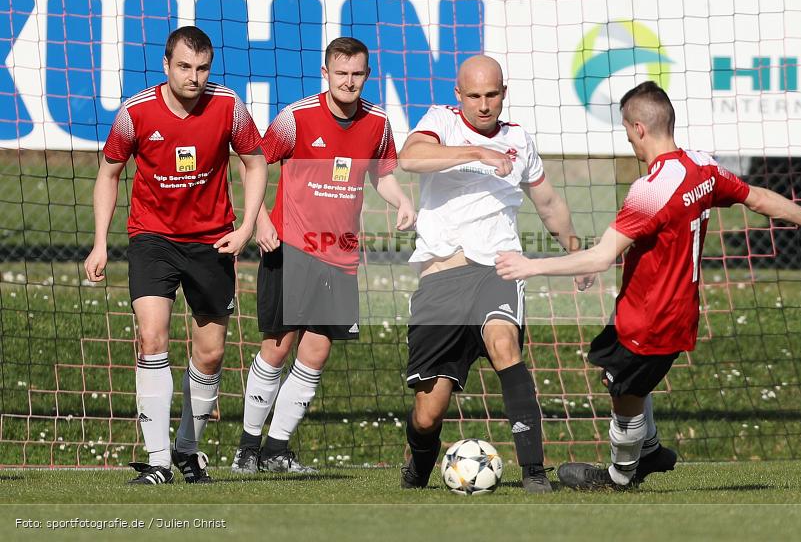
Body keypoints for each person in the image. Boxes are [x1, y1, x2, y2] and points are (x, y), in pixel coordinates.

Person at [495, 80, 801, 490]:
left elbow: (602, 256)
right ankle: (648, 448)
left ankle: (620, 476)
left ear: (638, 130)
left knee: (624, 392)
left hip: (649, 320)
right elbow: (757, 197)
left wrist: (530, 265)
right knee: (620, 375)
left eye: (626, 131)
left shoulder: (650, 191)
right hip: (674, 312)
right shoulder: (702, 166)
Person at [397, 55, 594, 494]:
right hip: (442, 277)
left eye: (492, 95)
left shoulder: (520, 140)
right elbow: (409, 158)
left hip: (499, 268)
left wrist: (576, 251)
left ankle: (534, 472)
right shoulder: (440, 122)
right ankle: (419, 465)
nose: (484, 105)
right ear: (458, 95)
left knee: (504, 345)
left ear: (504, 93)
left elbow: (547, 202)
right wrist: (478, 152)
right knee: (429, 412)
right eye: (474, 96)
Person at [84, 26, 268, 485]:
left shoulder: (229, 106)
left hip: (213, 241)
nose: (194, 77)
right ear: (166, 65)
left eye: (202, 68)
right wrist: (101, 242)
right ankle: (157, 459)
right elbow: (109, 174)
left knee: (210, 355)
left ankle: (188, 450)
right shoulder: (135, 112)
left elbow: (256, 162)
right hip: (152, 238)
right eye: (184, 67)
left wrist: (245, 226)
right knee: (152, 338)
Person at [230, 37, 415, 474]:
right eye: (341, 73)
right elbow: (251, 161)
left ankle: (276, 450)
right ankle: (246, 449)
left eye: (357, 74)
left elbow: (382, 175)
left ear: (367, 76)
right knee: (278, 348)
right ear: (326, 74)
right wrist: (260, 221)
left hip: (342, 254)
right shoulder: (295, 119)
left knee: (316, 353)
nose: (349, 81)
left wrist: (402, 200)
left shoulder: (378, 122)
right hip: (291, 246)